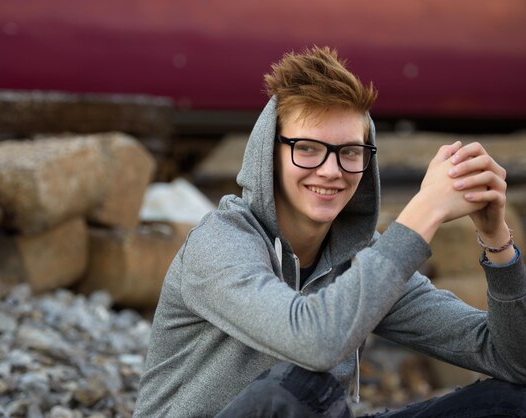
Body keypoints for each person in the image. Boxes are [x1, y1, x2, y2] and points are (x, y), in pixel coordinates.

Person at [133, 46, 526, 417]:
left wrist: (497, 242)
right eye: (307, 148)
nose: (331, 170)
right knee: (295, 386)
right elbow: (314, 344)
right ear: (269, 154)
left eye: (349, 152)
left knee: (509, 401)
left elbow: (511, 360)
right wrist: (426, 211)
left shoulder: (362, 259)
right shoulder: (219, 243)